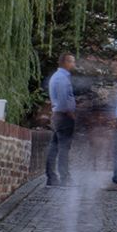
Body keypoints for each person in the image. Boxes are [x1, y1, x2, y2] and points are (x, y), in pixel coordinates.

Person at [44, 54, 77, 186]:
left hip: (59, 115)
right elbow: (63, 100)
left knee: (55, 147)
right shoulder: (62, 79)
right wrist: (70, 114)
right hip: (63, 116)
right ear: (65, 62)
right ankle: (64, 178)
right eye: (72, 62)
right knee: (63, 148)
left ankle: (51, 177)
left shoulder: (58, 77)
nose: (74, 64)